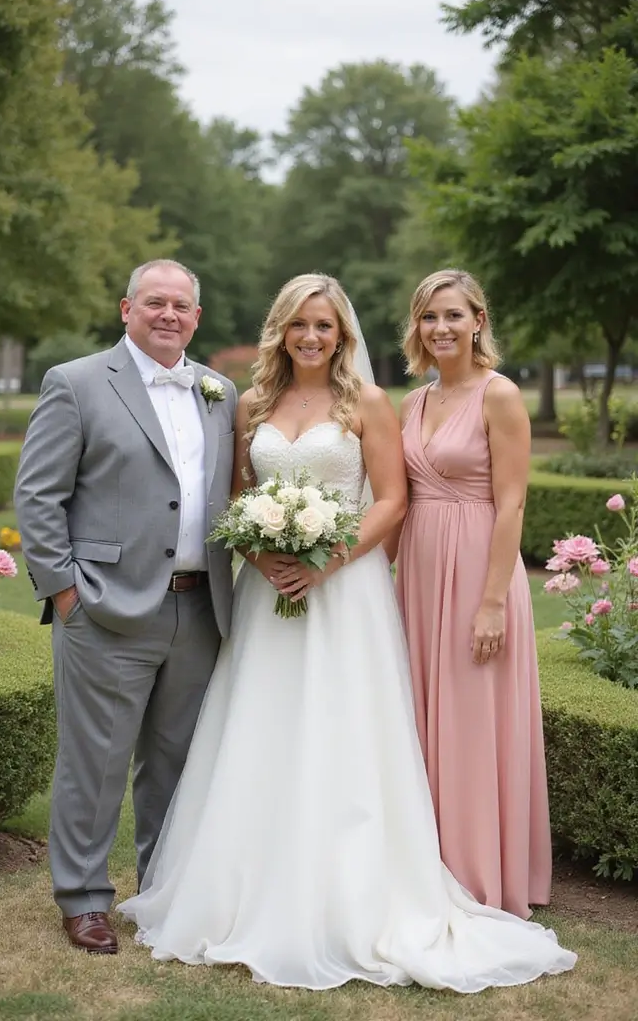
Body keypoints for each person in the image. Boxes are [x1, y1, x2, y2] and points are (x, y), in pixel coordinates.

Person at [117, 273, 576, 991]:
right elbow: (237, 496)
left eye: (324, 326)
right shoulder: (253, 403)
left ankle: (361, 886)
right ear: (281, 329)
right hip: (270, 595)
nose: (310, 336)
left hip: (346, 589)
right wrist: (260, 550)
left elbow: (393, 499)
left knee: (349, 729)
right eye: (299, 323)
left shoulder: (368, 401)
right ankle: (248, 881)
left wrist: (327, 559)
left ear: (343, 335)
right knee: (262, 729)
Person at [14, 259, 237, 954]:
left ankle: (163, 888)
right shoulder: (76, 382)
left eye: (181, 305)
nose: (168, 314)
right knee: (96, 761)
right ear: (127, 309)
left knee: (177, 762)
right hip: (105, 608)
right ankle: (82, 898)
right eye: (155, 302)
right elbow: (39, 495)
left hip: (202, 611)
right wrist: (66, 592)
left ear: (197, 317)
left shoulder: (221, 392)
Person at [385, 268, 552, 920]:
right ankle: (426, 863)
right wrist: (378, 581)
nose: (441, 328)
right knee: (422, 715)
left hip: (480, 568)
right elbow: (400, 503)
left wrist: (490, 603)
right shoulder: (413, 404)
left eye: (453, 315)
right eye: (429, 317)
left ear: (478, 321)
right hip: (421, 573)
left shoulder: (500, 395)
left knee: (473, 718)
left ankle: (482, 874)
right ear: (416, 328)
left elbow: (511, 504)